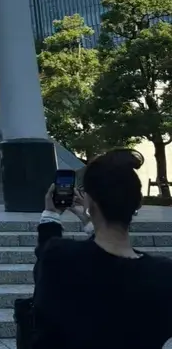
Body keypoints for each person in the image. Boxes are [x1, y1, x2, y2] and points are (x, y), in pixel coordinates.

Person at [31, 149, 172, 349]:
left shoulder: (61, 257)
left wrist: (50, 214)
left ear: (90, 200)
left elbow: (44, 270)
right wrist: (90, 219)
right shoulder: (163, 274)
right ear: (138, 203)